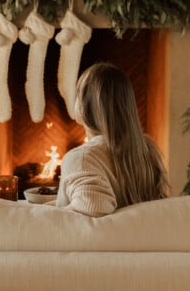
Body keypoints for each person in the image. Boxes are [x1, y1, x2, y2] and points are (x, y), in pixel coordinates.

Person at [56, 62, 169, 216]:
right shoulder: (148, 149)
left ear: (86, 107)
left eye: (78, 93)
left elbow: (94, 205)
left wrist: (55, 214)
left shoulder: (81, 158)